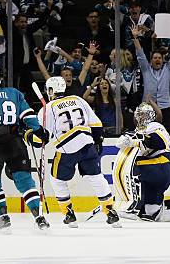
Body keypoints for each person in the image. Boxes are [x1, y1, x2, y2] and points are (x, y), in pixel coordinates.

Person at [28, 76, 120, 228]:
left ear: (51, 90)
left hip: (66, 149)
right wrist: (98, 141)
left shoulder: (48, 108)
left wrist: (29, 136)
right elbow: (96, 124)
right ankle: (111, 212)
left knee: (57, 180)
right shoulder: (79, 100)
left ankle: (69, 213)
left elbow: (41, 140)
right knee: (96, 177)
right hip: (87, 144)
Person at [0, 66, 49, 231]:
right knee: (25, 180)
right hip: (14, 142)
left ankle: (3, 217)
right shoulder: (14, 93)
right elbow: (28, 116)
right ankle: (39, 218)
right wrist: (40, 131)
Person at [115, 102, 170, 221]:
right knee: (152, 212)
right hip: (154, 169)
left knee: (133, 167)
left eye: (145, 115)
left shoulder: (155, 126)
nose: (141, 118)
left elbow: (158, 142)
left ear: (151, 116)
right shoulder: (136, 131)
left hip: (162, 164)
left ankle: (132, 206)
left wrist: (135, 140)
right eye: (139, 115)